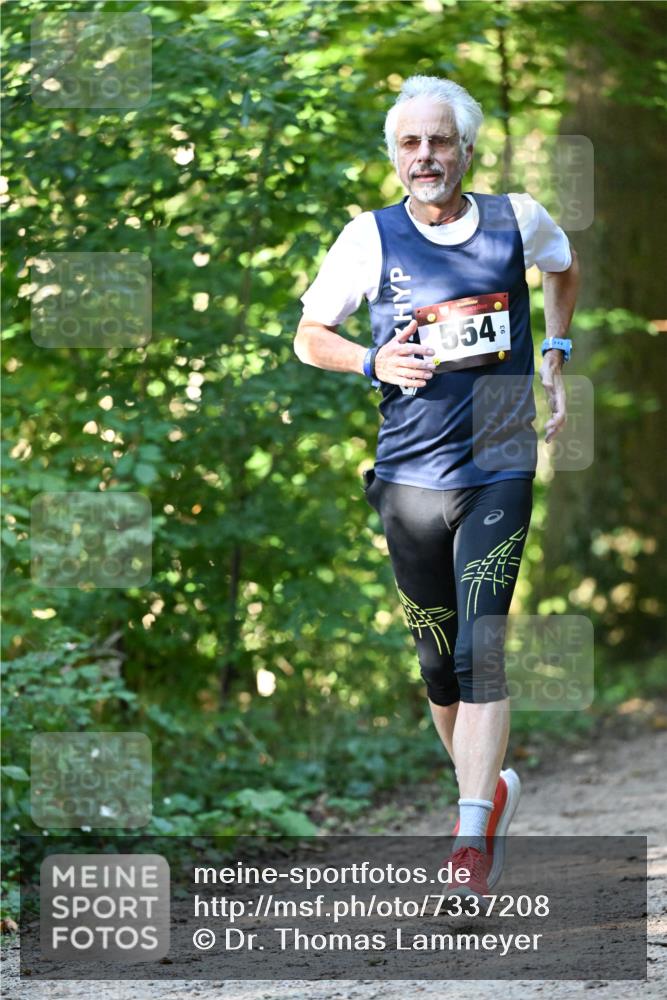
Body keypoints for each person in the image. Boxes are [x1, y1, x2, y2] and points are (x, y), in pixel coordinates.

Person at [294, 75, 580, 900]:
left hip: (498, 460)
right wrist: (369, 359)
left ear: (465, 148)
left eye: (439, 141)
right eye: (410, 144)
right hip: (407, 473)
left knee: (478, 645)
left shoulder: (516, 218)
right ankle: (484, 795)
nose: (426, 157)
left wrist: (554, 349)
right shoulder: (368, 236)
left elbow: (563, 270)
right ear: (395, 156)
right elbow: (311, 335)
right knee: (437, 666)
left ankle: (465, 844)